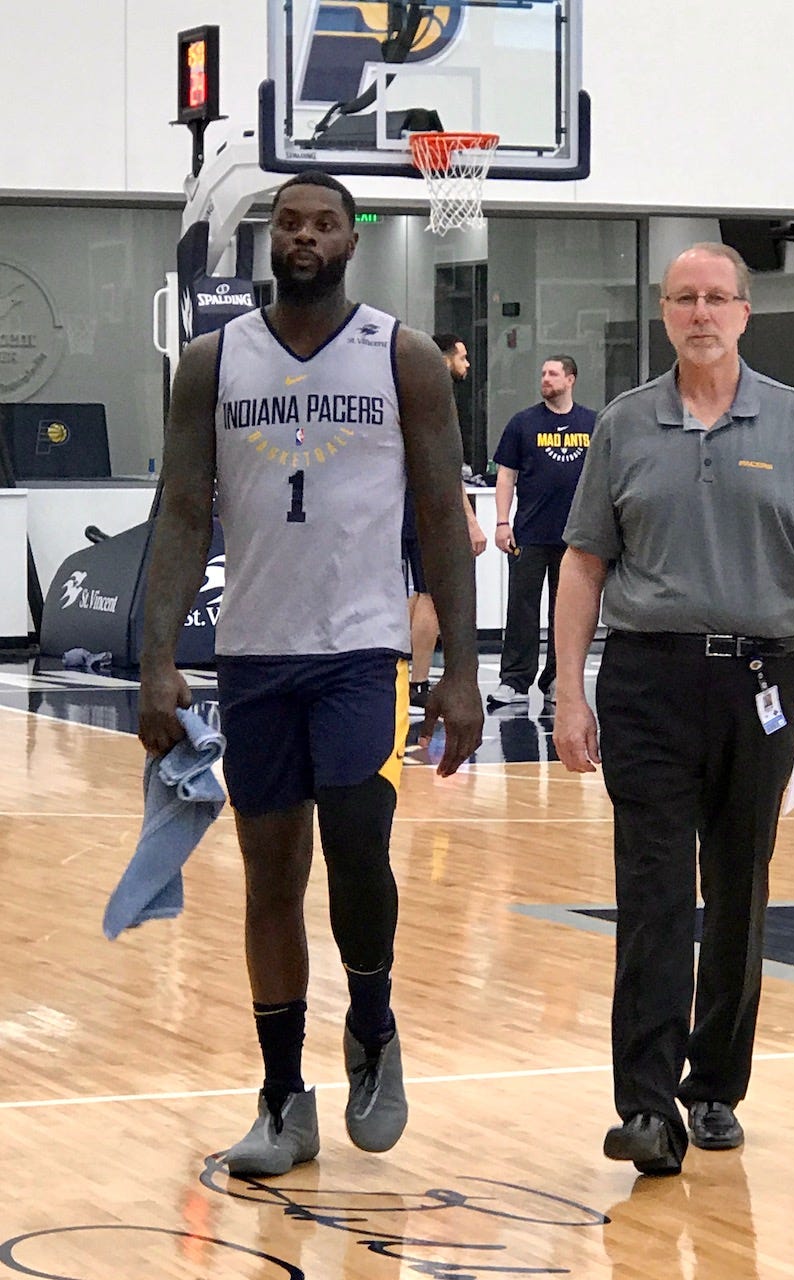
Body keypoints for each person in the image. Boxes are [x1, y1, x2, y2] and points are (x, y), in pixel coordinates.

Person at [137, 171, 483, 1177]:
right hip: (253, 652)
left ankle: (371, 1020)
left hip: (362, 650)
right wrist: (157, 659)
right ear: (270, 239)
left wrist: (461, 669)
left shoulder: (404, 357)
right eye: (289, 221)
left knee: (360, 845)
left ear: (349, 243)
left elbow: (441, 525)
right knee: (272, 877)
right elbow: (179, 514)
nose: (304, 235)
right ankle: (284, 1097)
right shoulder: (210, 362)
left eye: (324, 223)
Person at [553, 242, 794, 1177]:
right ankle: (646, 1107)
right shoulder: (622, 425)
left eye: (716, 299)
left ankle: (712, 1087)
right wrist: (569, 690)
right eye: (683, 298)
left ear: (742, 312)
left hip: (761, 682)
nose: (700, 313)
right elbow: (582, 562)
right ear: (663, 312)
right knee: (652, 892)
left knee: (738, 887)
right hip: (647, 681)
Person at [488, 356, 596, 708]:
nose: (545, 379)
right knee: (521, 609)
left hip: (575, 537)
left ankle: (557, 682)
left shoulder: (592, 423)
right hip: (530, 532)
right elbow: (506, 475)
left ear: (571, 379)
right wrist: (503, 521)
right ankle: (515, 683)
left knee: (564, 613)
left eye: (552, 374)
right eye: (543, 373)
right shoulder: (523, 423)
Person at [403, 332, 487, 713]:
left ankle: (400, 675)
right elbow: (447, 468)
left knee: (410, 594)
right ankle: (417, 680)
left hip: (396, 500)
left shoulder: (404, 389)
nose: (466, 366)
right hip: (424, 501)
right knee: (431, 594)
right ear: (445, 358)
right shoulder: (436, 397)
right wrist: (469, 519)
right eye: (463, 357)